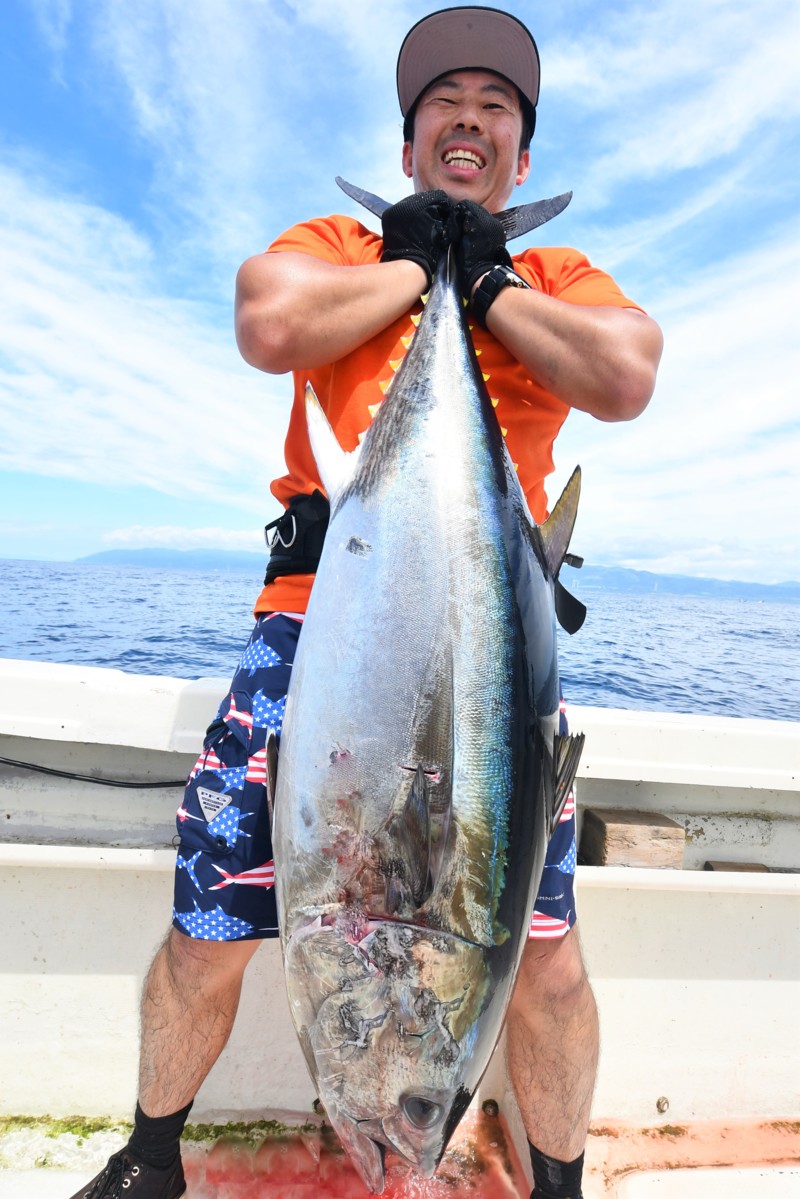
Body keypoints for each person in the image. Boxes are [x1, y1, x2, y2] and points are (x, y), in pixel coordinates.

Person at [72, 8, 662, 1199]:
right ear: (408, 144)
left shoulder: (556, 278)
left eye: (495, 108)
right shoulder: (341, 244)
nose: (468, 119)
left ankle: (557, 1185)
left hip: (492, 650)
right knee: (211, 923)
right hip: (314, 628)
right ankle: (149, 1160)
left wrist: (481, 282)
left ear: (521, 157)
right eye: (445, 102)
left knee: (544, 956)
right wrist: (409, 267)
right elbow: (268, 320)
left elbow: (623, 373)